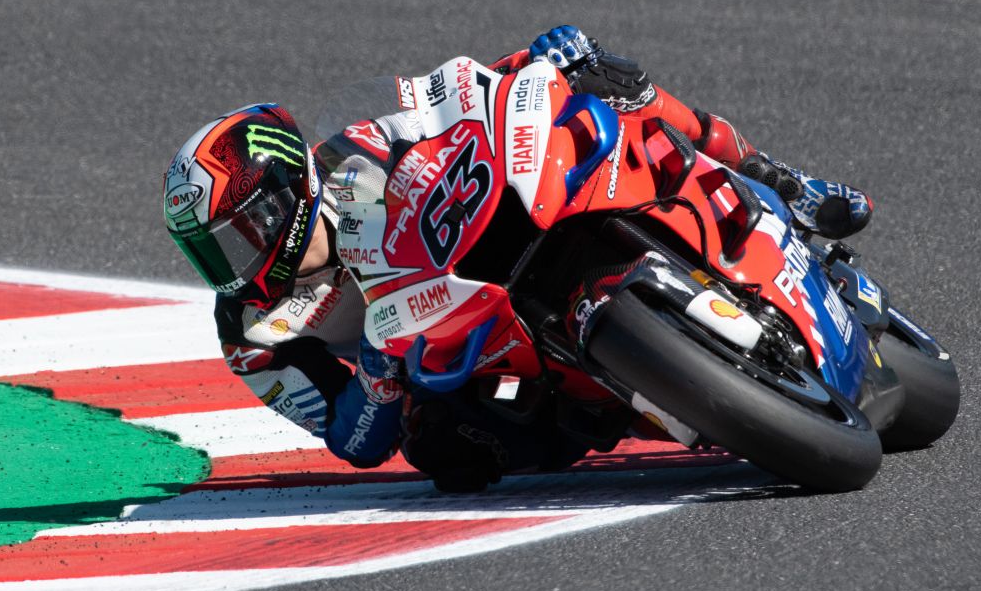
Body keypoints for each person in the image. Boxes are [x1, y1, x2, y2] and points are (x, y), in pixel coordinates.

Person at [160, 25, 873, 491]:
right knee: (445, 454)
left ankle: (785, 183)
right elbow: (353, 443)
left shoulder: (357, 148)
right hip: (445, 356)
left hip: (479, 243)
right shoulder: (251, 334)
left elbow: (450, 93)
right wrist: (377, 376)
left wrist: (533, 64)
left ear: (283, 191)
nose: (232, 264)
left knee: (604, 83)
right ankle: (619, 400)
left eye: (236, 235)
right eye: (210, 250)